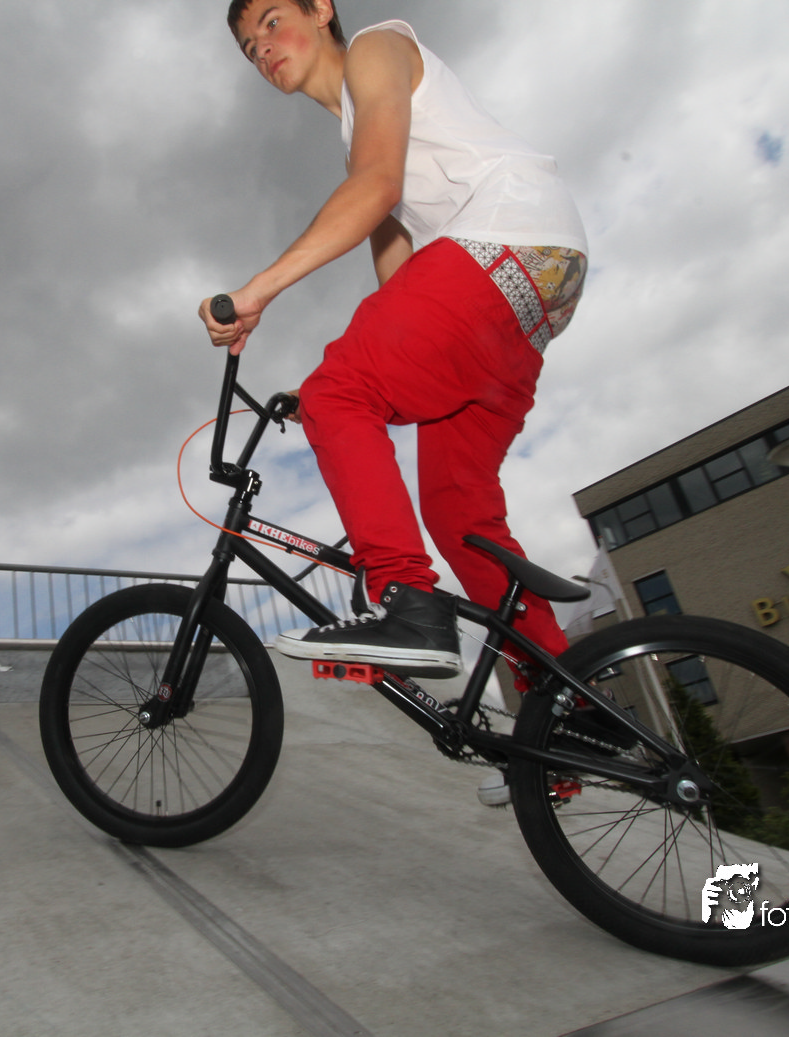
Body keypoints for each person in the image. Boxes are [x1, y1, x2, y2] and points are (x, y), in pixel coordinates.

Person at [201, 0, 587, 688]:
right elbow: (400, 282)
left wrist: (260, 292)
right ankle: (562, 703)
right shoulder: (359, 137)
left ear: (322, 9)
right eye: (248, 47)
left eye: (270, 21)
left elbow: (376, 188)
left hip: (507, 239)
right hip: (530, 296)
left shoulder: (376, 49)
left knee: (338, 391)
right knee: (457, 509)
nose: (261, 48)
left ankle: (407, 604)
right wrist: (341, 387)